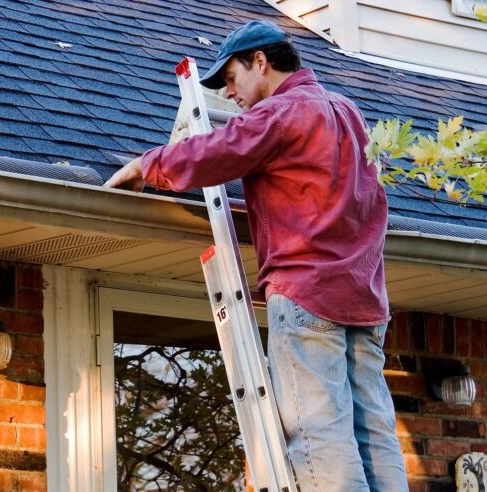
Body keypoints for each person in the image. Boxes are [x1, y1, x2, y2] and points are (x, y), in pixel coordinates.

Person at [104, 20, 409, 492]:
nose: (228, 95)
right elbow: (347, 197)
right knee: (374, 432)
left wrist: (148, 164)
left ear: (260, 62)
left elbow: (218, 151)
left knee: (319, 434)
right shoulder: (348, 113)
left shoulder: (282, 113)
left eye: (231, 78)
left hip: (308, 295)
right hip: (365, 300)